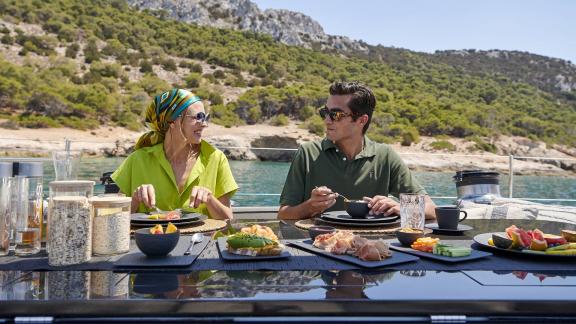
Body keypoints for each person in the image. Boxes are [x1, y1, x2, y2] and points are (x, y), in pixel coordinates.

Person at [278, 81, 436, 220]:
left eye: (336, 114)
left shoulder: (385, 156)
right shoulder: (307, 153)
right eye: (325, 112)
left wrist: (401, 208)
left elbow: (432, 209)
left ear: (362, 120)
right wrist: (309, 207)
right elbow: (284, 214)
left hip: (371, 249)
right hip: (319, 247)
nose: (327, 120)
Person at [112, 88, 238, 220]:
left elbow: (227, 220)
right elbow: (116, 219)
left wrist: (210, 199)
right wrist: (136, 199)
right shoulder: (137, 160)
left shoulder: (216, 158)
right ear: (173, 121)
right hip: (151, 240)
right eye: (198, 117)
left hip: (203, 241)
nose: (204, 124)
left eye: (206, 117)